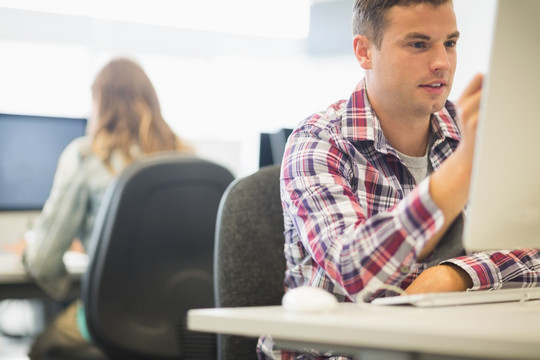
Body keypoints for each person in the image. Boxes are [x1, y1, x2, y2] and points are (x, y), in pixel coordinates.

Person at [257, 0, 540, 358]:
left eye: (450, 43)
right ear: (364, 51)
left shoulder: (468, 129)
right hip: (338, 351)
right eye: (419, 44)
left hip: (440, 345)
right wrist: (460, 171)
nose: (443, 62)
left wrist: (457, 274)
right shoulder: (318, 141)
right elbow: (353, 271)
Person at [21, 57, 191, 359]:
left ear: (100, 101)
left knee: (40, 346)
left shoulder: (87, 155)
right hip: (183, 322)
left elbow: (44, 261)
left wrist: (64, 285)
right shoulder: (189, 158)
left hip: (115, 317)